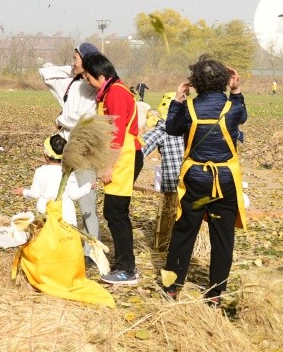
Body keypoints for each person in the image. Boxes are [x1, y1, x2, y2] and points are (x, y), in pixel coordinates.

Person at [162, 56, 247, 304]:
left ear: (195, 82)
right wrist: (236, 90)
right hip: (225, 181)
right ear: (224, 80)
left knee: (184, 231)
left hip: (195, 181)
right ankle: (216, 293)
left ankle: (172, 288)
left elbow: (172, 128)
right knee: (222, 235)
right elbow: (243, 116)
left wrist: (178, 100)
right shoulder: (233, 107)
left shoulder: (188, 108)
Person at [81, 52, 143, 286]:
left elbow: (116, 131)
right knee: (115, 212)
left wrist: (109, 165)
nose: (87, 82)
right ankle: (123, 264)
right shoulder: (111, 90)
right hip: (121, 155)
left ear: (99, 74)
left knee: (116, 212)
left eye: (88, 77)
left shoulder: (116, 92)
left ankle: (127, 269)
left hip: (124, 156)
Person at [39, 42, 102, 255]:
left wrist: (60, 118)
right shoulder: (73, 82)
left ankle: (91, 254)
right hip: (66, 151)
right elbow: (45, 72)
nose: (72, 62)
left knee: (86, 205)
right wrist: (74, 68)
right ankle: (59, 245)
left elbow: (82, 119)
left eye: (75, 59)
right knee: (58, 198)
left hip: (84, 151)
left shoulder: (93, 87)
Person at [12, 134, 91, 226]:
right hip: (65, 213)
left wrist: (23, 192)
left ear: (45, 155)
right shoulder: (68, 172)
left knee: (47, 237)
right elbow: (74, 195)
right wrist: (88, 186)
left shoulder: (40, 171)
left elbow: (35, 194)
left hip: (45, 211)